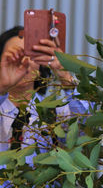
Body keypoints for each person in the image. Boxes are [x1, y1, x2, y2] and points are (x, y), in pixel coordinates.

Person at [0, 25, 88, 156]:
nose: (23, 62)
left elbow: (87, 130)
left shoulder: (57, 113)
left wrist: (65, 76)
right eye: (15, 55)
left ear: (41, 63)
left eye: (29, 55)